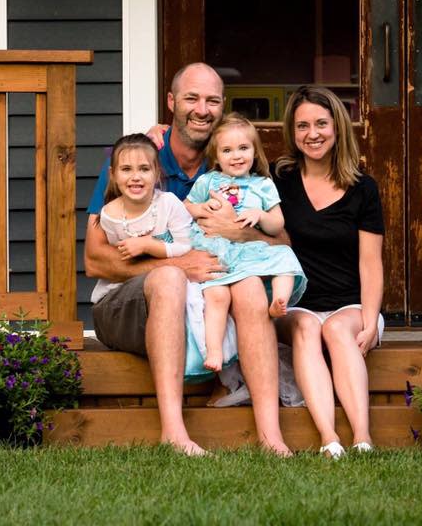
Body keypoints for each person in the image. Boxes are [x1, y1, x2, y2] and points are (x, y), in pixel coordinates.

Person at [83, 62, 291, 456]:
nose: (202, 109)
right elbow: (94, 259)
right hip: (125, 303)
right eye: (192, 98)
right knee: (169, 279)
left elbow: (282, 242)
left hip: (207, 298)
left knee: (248, 288)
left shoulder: (231, 165)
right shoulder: (136, 161)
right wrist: (180, 265)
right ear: (171, 102)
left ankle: (270, 436)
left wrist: (238, 231)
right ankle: (174, 434)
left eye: (212, 100)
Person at [271, 86, 386, 459]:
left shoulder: (362, 188)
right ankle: (328, 438)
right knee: (308, 328)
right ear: (293, 131)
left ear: (337, 126)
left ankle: (363, 438)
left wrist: (369, 320)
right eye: (302, 125)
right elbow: (230, 161)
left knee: (336, 329)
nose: (312, 133)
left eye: (321, 123)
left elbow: (370, 261)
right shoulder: (280, 180)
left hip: (349, 304)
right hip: (300, 303)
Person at [184, 113, 306, 372]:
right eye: (227, 150)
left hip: (249, 251)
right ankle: (214, 350)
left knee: (285, 257)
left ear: (255, 151)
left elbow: (277, 224)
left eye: (243, 148)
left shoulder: (263, 184)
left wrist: (260, 214)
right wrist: (200, 208)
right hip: (217, 250)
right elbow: (185, 207)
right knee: (217, 296)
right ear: (217, 157)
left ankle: (279, 303)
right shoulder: (208, 181)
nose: (236, 156)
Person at [89, 134, 192, 303]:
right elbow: (120, 261)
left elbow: (186, 246)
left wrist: (147, 245)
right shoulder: (109, 216)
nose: (135, 176)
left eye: (144, 169)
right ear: (113, 174)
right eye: (126, 169)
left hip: (174, 283)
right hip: (129, 289)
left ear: (157, 173)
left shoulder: (169, 204)